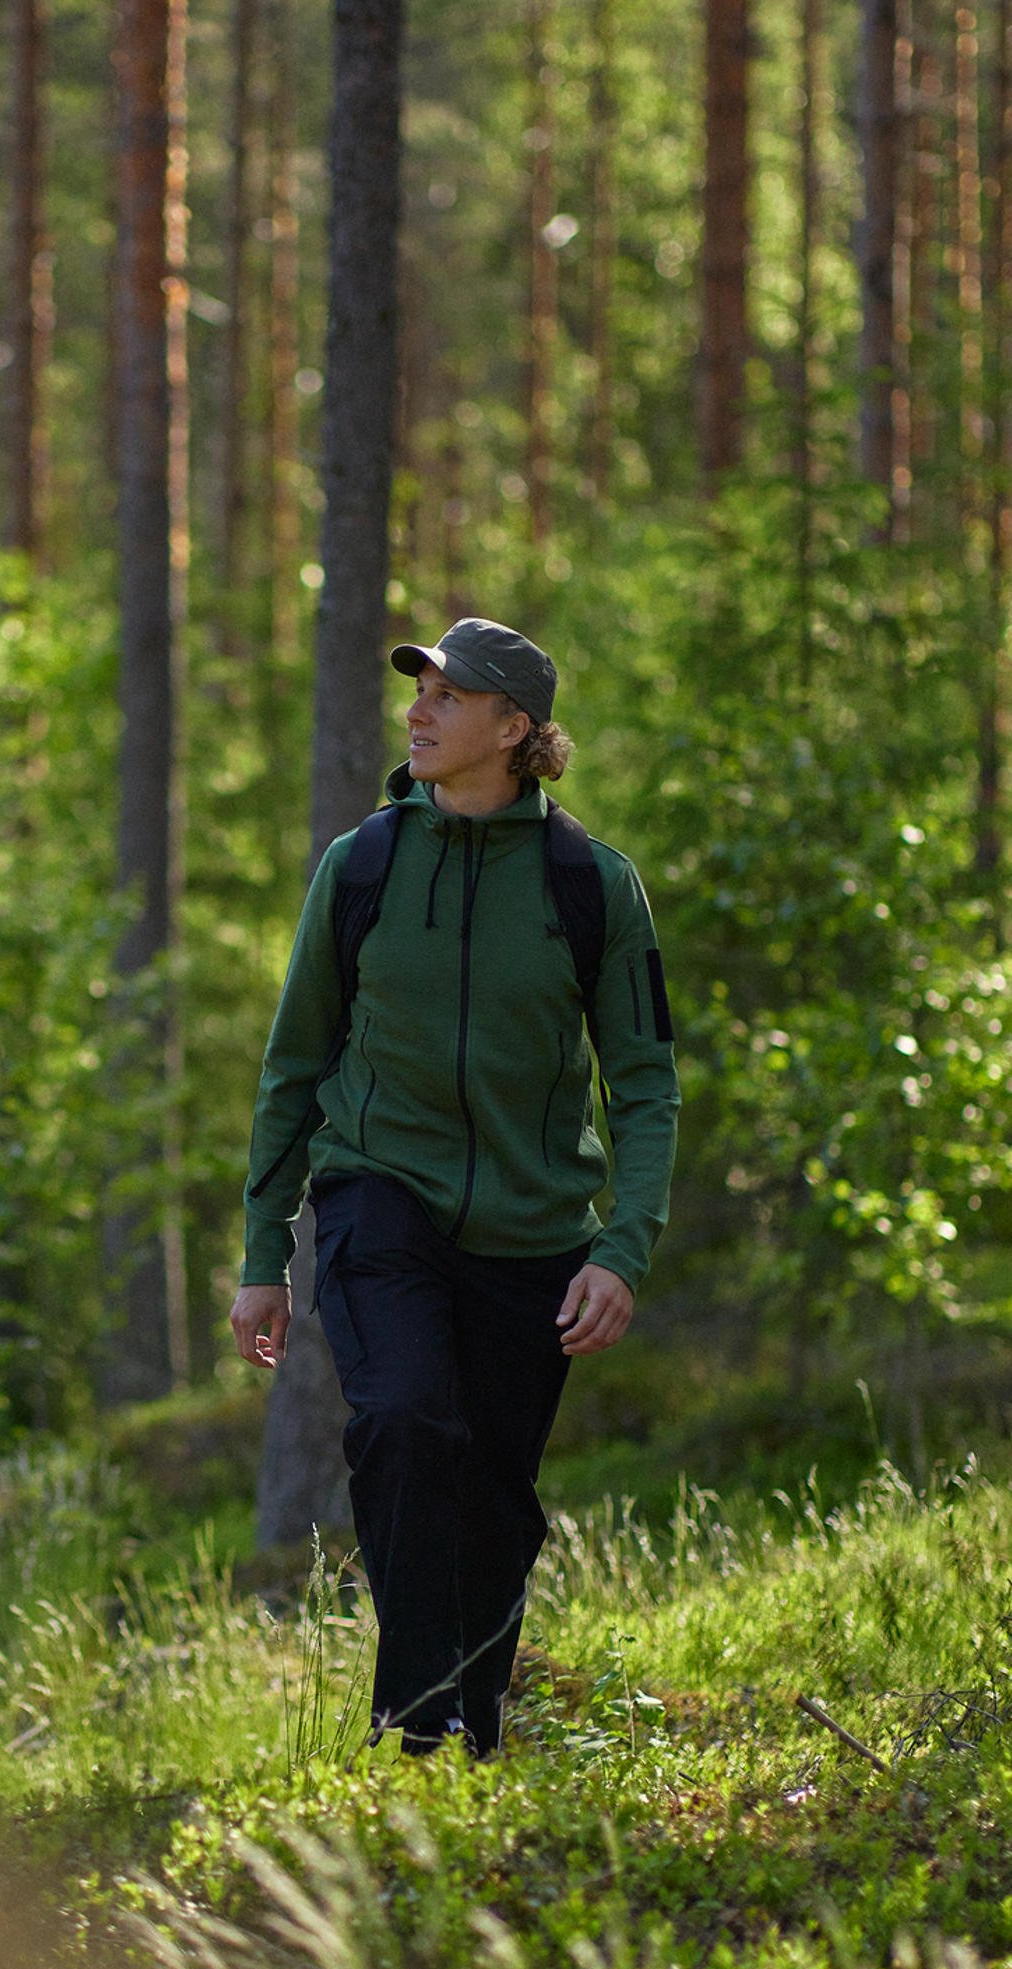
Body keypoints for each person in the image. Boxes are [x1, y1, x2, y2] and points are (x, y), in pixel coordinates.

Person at [230, 618, 679, 1758]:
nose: (417, 712)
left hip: (534, 1227)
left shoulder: (591, 884)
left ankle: (470, 1730)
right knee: (402, 1418)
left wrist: (619, 1248)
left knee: (495, 1496)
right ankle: (412, 1716)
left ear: (514, 729)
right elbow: (295, 1062)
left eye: (447, 695)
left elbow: (643, 1084)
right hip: (378, 1189)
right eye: (416, 690)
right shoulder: (363, 865)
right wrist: (260, 1255)